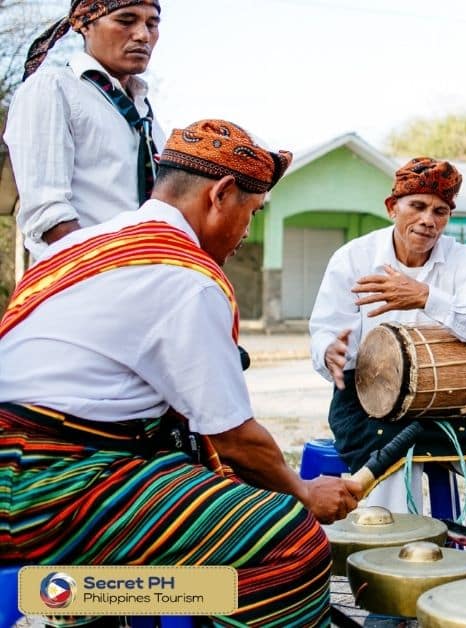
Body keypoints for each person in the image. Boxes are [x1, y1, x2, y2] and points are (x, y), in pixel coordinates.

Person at [0, 119, 360, 626]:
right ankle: (93, 597)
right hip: (45, 488)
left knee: (216, 493)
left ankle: (101, 605)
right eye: (251, 213)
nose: (246, 233)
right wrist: (302, 493)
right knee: (288, 541)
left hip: (24, 466)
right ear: (222, 194)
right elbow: (235, 440)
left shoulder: (79, 248)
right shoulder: (185, 276)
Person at [310, 157, 466, 541]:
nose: (429, 220)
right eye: (418, 207)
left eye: (440, 211)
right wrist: (330, 353)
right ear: (393, 208)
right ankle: (393, 557)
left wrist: (426, 297)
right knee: (387, 450)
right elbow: (324, 331)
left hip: (445, 398)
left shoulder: (464, 261)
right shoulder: (353, 258)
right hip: (366, 398)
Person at [6, 0, 165, 261]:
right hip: (81, 283)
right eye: (126, 20)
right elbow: (49, 217)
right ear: (85, 24)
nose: (143, 35)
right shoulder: (53, 89)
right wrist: (105, 276)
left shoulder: (147, 116)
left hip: (142, 280)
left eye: (152, 23)